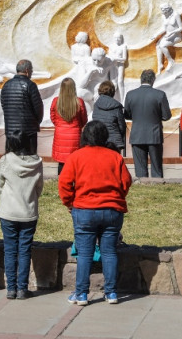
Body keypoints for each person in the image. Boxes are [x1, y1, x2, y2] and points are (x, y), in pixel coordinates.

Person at [59, 121, 133, 306]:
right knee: (109, 252)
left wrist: (69, 202)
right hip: (112, 210)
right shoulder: (115, 157)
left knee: (84, 253)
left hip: (84, 210)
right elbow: (126, 181)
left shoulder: (76, 156)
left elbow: (64, 183)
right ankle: (112, 293)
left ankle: (81, 294)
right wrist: (117, 196)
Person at [0, 130, 44, 299]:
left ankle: (11, 289)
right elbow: (39, 188)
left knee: (9, 250)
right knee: (24, 250)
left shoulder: (5, 160)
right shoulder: (37, 162)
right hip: (28, 212)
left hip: (8, 211)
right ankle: (22, 289)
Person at [123, 69, 171, 178]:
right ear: (153, 80)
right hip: (154, 134)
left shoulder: (130, 94)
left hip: (137, 134)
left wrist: (137, 117)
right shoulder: (160, 94)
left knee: (140, 167)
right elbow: (166, 116)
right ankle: (157, 187)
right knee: (156, 166)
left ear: (141, 80)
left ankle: (142, 186)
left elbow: (126, 114)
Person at [0, 60, 44, 155]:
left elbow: (4, 105)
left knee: (12, 159)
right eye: (31, 70)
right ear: (27, 70)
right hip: (28, 132)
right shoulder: (30, 85)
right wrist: (36, 122)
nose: (32, 72)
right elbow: (38, 108)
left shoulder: (6, 85)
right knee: (29, 160)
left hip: (11, 131)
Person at [51, 77, 88, 174]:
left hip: (60, 134)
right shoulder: (79, 102)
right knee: (74, 161)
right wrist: (77, 126)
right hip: (75, 134)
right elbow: (84, 119)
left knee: (62, 163)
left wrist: (59, 125)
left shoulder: (56, 101)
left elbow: (53, 117)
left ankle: (61, 181)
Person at [92, 81, 127, 152]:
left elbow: (94, 121)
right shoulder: (117, 106)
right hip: (114, 142)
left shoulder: (96, 105)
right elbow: (122, 126)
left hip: (99, 140)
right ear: (113, 92)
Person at [153, 3, 182, 74]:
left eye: (163, 10)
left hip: (176, 36)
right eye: (162, 10)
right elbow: (164, 28)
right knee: (158, 45)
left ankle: (171, 61)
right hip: (168, 35)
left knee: (162, 45)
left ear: (168, 9)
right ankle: (160, 64)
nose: (162, 12)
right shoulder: (163, 16)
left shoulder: (176, 15)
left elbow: (181, 28)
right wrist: (156, 34)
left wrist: (172, 33)